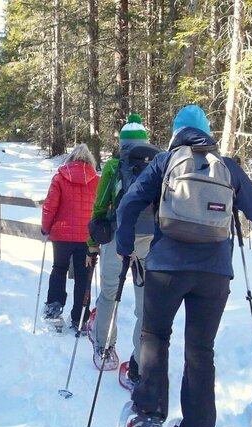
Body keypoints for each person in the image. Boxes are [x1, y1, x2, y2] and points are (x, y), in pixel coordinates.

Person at [114, 104, 252, 427]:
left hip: (167, 267)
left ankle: (150, 417)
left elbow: (131, 201)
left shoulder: (166, 161)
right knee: (201, 352)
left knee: (155, 337)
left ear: (176, 132)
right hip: (214, 275)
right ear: (207, 133)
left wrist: (124, 244)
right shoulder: (226, 166)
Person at [86, 114, 159, 382]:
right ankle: (138, 362)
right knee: (144, 303)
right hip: (149, 242)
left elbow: (99, 207)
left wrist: (92, 242)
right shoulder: (159, 165)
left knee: (109, 295)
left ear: (122, 142)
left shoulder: (114, 167)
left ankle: (104, 349)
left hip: (118, 238)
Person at [41, 144, 99, 333]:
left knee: (59, 269)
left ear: (71, 158)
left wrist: (45, 228)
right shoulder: (96, 180)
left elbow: (50, 206)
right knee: (84, 276)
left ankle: (53, 309)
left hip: (62, 235)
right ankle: (80, 317)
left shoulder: (59, 178)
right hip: (87, 237)